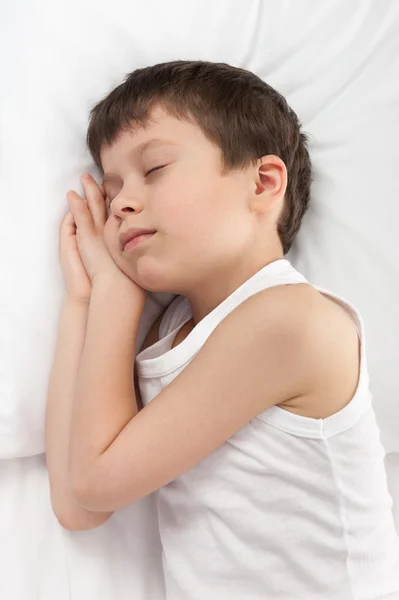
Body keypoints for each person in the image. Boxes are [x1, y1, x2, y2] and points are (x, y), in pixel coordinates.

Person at [46, 60, 399, 599]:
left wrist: (117, 294)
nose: (120, 204)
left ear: (263, 183)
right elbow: (78, 506)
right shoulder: (173, 334)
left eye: (156, 168)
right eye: (111, 187)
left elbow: (95, 482)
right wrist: (83, 298)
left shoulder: (289, 322)